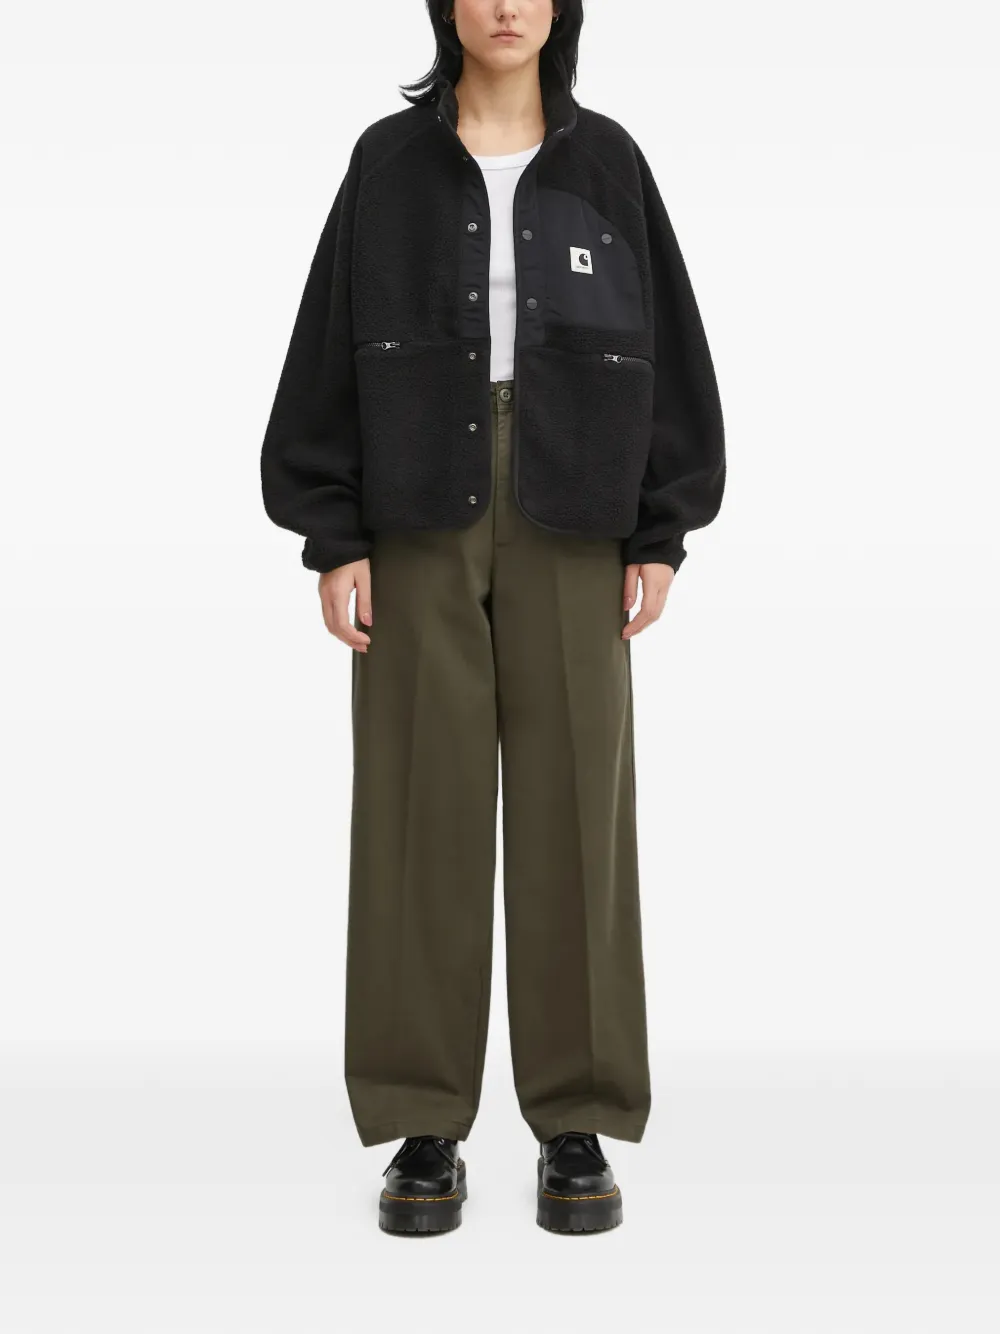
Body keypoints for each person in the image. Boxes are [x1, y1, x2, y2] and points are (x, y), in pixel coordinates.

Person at [260, 0, 725, 1236]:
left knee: (579, 806)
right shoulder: (387, 162)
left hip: (577, 496)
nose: (507, 4)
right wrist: (333, 532)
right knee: (420, 801)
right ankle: (424, 1119)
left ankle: (577, 1115)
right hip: (416, 497)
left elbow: (669, 343)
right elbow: (325, 344)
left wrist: (662, 527)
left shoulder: (607, 161)